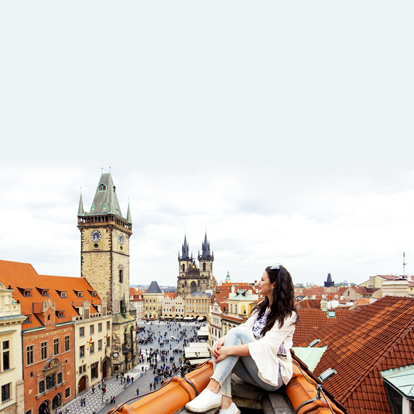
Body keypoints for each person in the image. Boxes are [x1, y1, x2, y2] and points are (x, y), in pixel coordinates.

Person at [185, 265, 299, 414]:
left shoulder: (288, 315)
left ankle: (213, 389)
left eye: (262, 279)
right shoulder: (262, 307)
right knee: (222, 347)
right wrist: (223, 340)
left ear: (274, 284)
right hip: (257, 369)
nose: (258, 282)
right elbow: (245, 328)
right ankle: (227, 405)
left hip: (274, 374)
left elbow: (264, 346)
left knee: (232, 338)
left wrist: (228, 349)